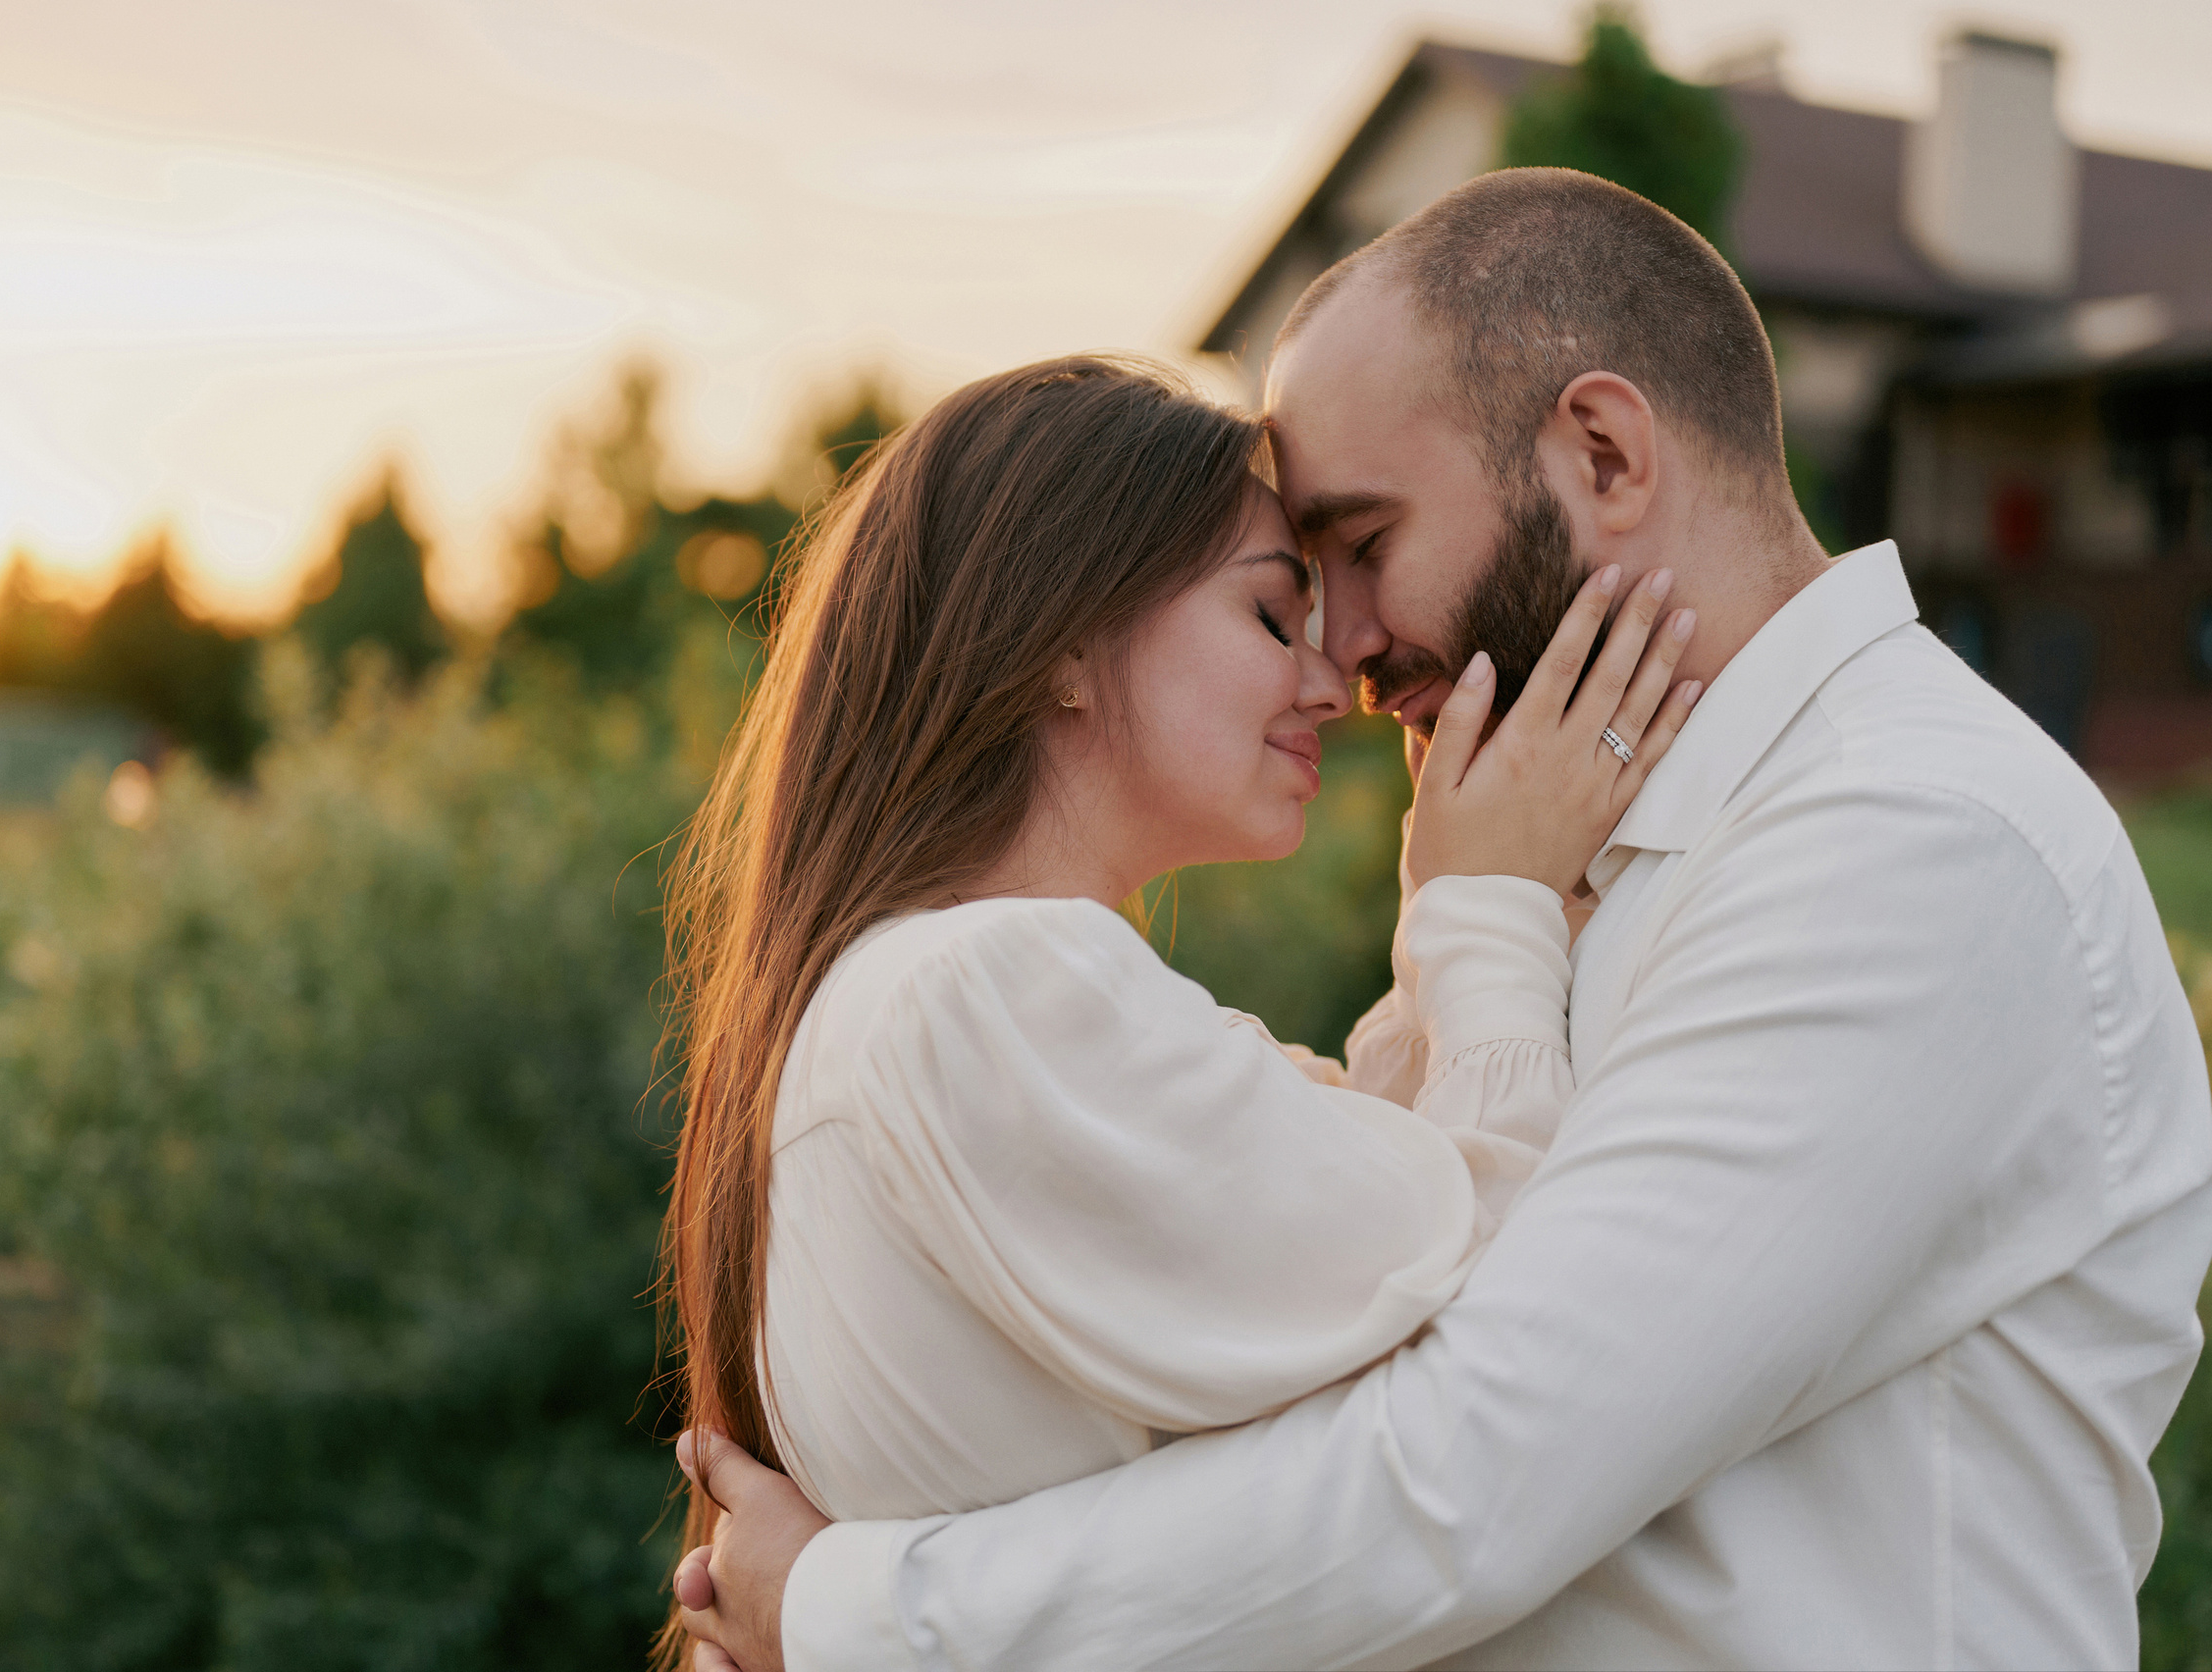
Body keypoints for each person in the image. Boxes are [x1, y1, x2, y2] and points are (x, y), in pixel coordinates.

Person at [672, 169, 2212, 1670]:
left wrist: (865, 1617)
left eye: (1357, 546)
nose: (1336, 656)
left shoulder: (1912, 850)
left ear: (1605, 456)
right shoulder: (1561, 861)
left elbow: (1460, 1477)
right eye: (1285, 594)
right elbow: (1348, 1358)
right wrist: (1483, 921)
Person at [654, 348, 1698, 1667]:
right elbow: (1496, 1332)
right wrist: (1492, 907)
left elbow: (1372, 1202)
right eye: (1272, 618)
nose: (1330, 682)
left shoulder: (920, 997)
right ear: (1062, 652)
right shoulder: (994, 995)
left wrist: (1465, 904)